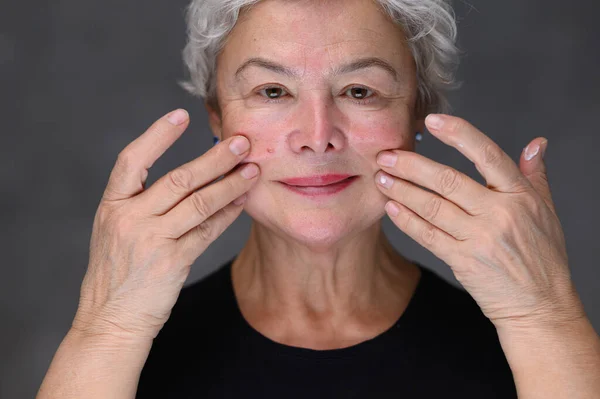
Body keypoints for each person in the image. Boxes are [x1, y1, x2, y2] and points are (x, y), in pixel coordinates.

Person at [36, 0, 600, 398]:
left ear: (415, 116)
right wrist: (105, 330)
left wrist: (546, 320)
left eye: (360, 91)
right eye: (272, 90)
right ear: (217, 115)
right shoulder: (127, 354)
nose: (317, 133)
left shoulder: (523, 346)